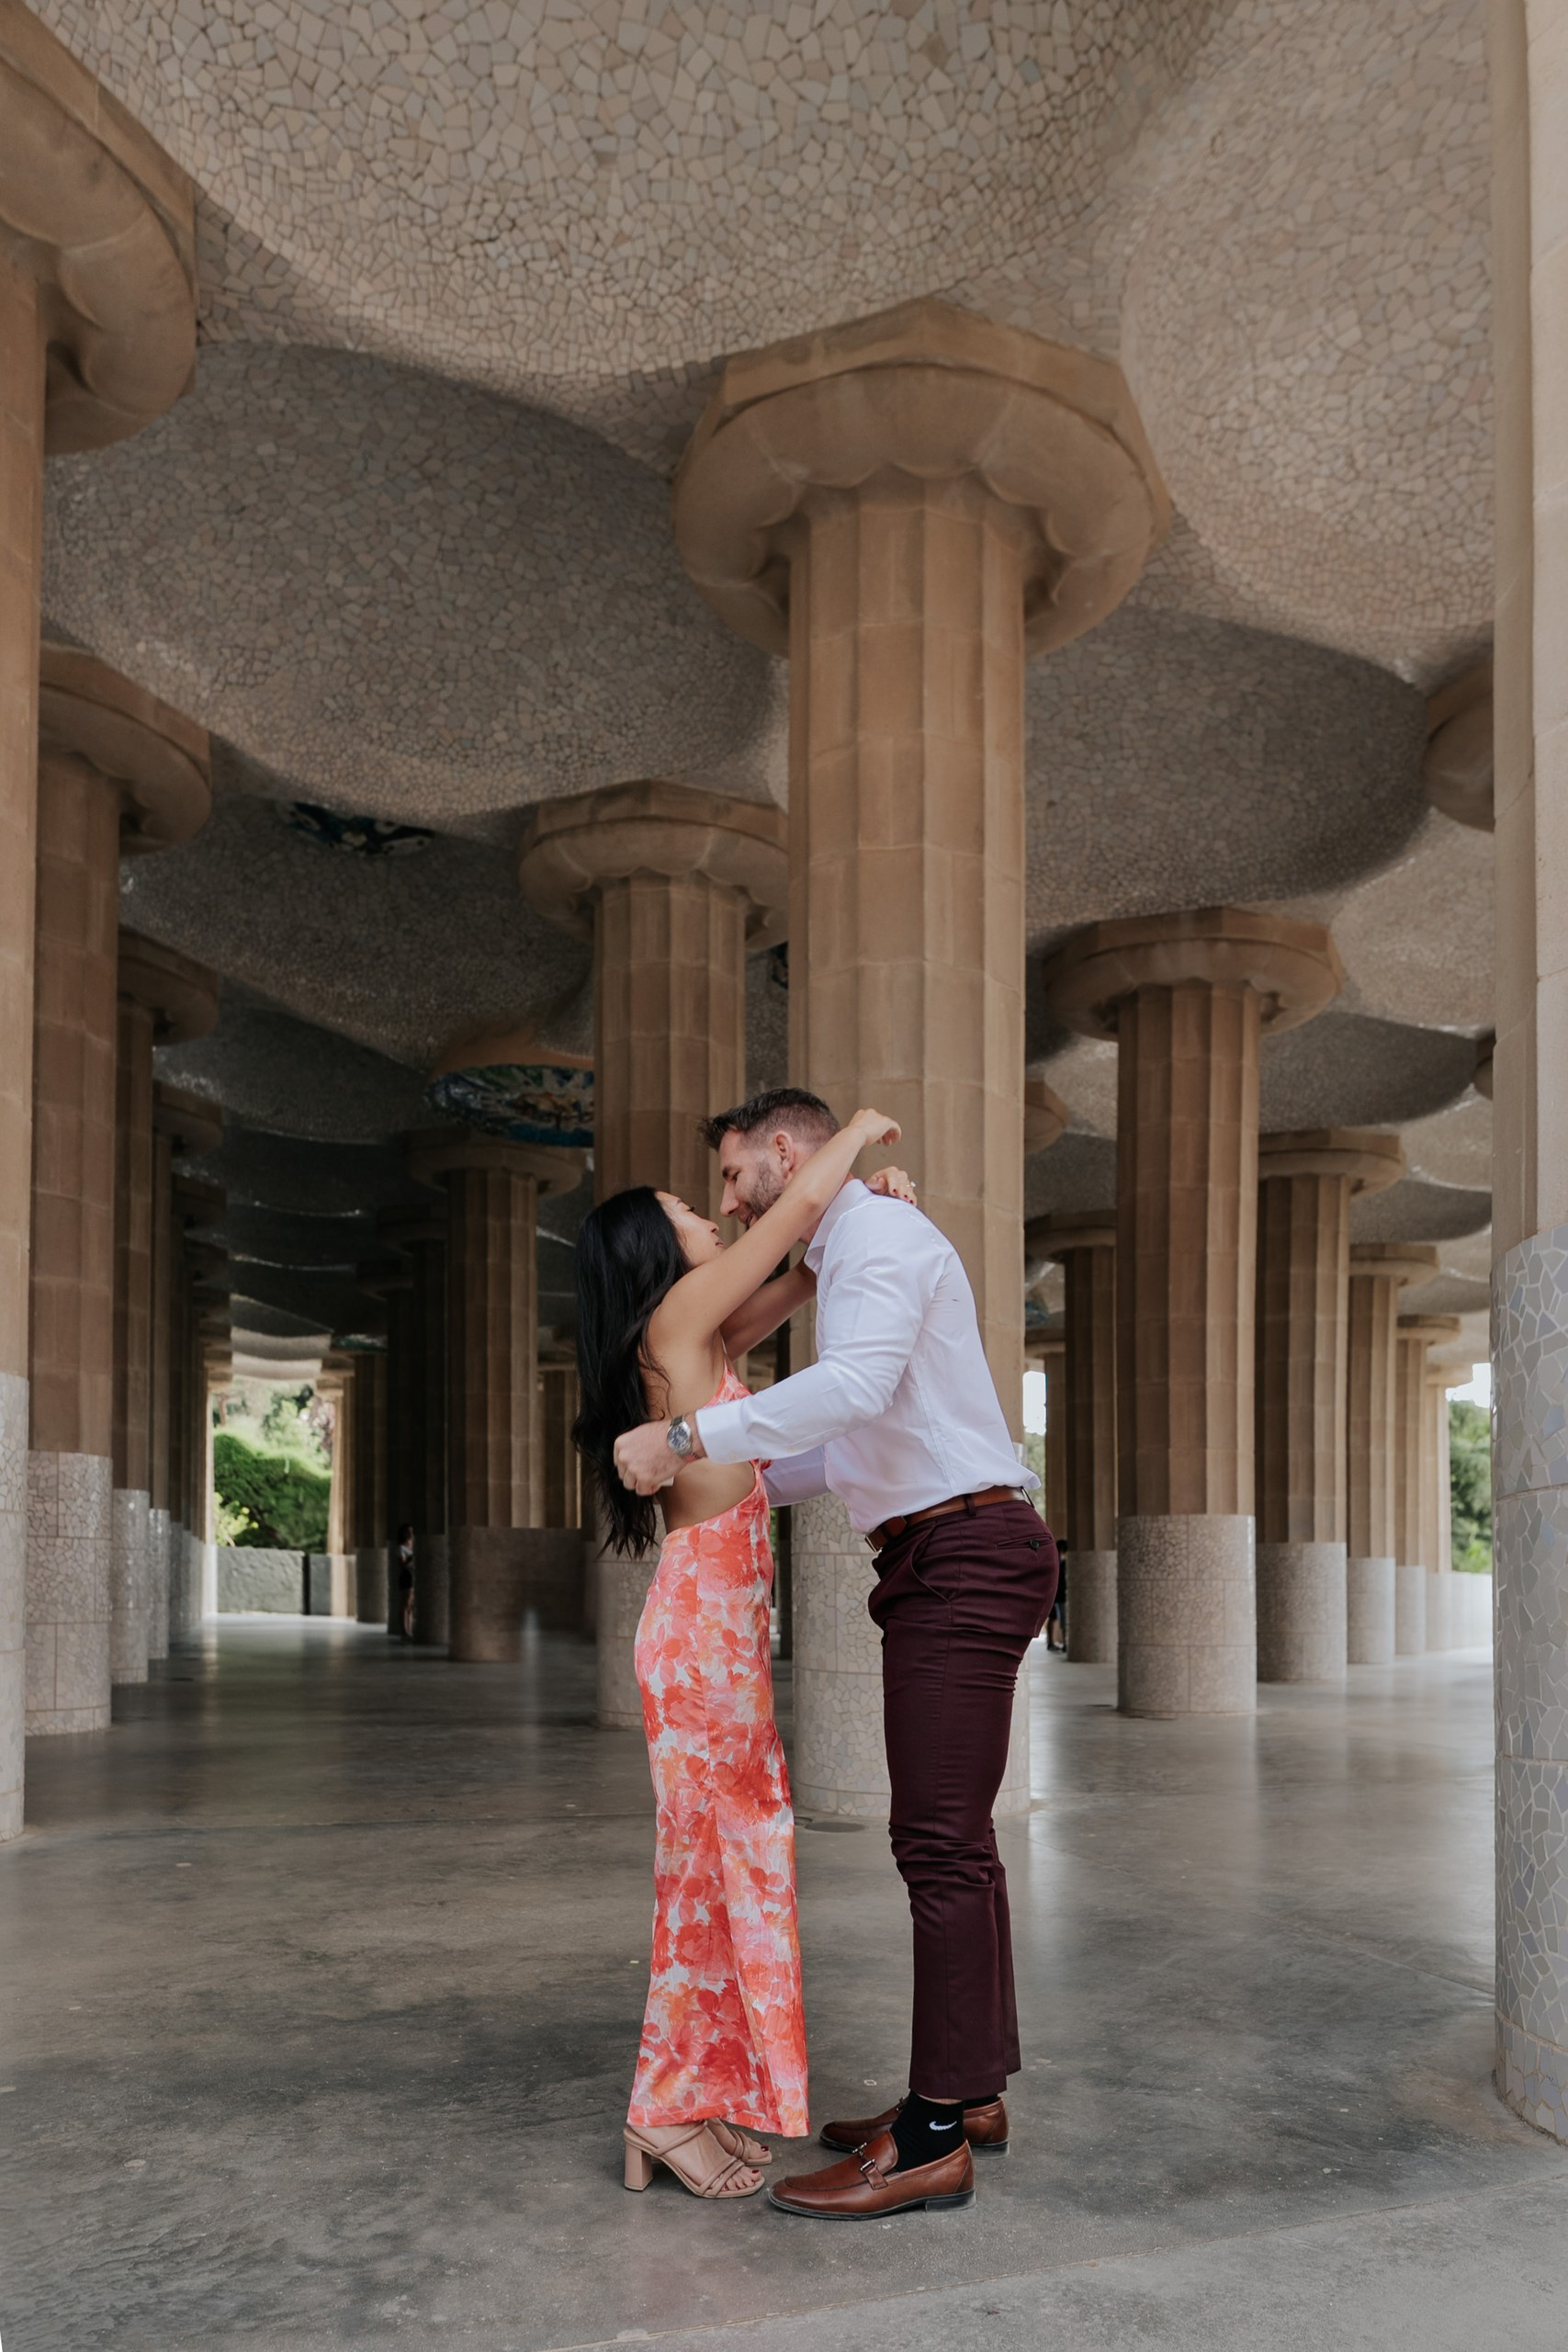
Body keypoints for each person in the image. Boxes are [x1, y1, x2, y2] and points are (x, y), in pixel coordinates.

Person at [615, 1087, 1058, 2222]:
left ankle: (931, 2138)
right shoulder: (852, 1250)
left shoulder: (878, 1236)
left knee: (938, 1845)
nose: (727, 1199)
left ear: (779, 1152)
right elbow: (844, 1438)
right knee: (957, 1844)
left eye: (728, 1177)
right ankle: (972, 2091)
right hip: (941, 1549)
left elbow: (850, 1392)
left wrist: (682, 1437)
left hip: (963, 1550)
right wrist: (725, 1465)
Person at [574, 1104, 908, 2203]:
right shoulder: (676, 1313)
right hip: (700, 1637)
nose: (712, 1209)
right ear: (654, 1250)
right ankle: (663, 2111)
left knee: (730, 1872)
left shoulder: (699, 1335)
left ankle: (694, 2100)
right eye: (688, 1205)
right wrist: (853, 1133)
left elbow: (800, 1273)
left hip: (718, 1637)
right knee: (706, 1876)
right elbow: (795, 1212)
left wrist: (862, 1229)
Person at [395, 1522, 415, 1641]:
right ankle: (404, 1630)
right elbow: (402, 1564)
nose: (411, 1534)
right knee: (405, 1604)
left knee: (411, 1605)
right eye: (408, 1531)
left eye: (412, 1531)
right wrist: (411, 1558)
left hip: (413, 1576)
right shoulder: (401, 1547)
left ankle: (409, 1628)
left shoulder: (413, 1545)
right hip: (406, 1576)